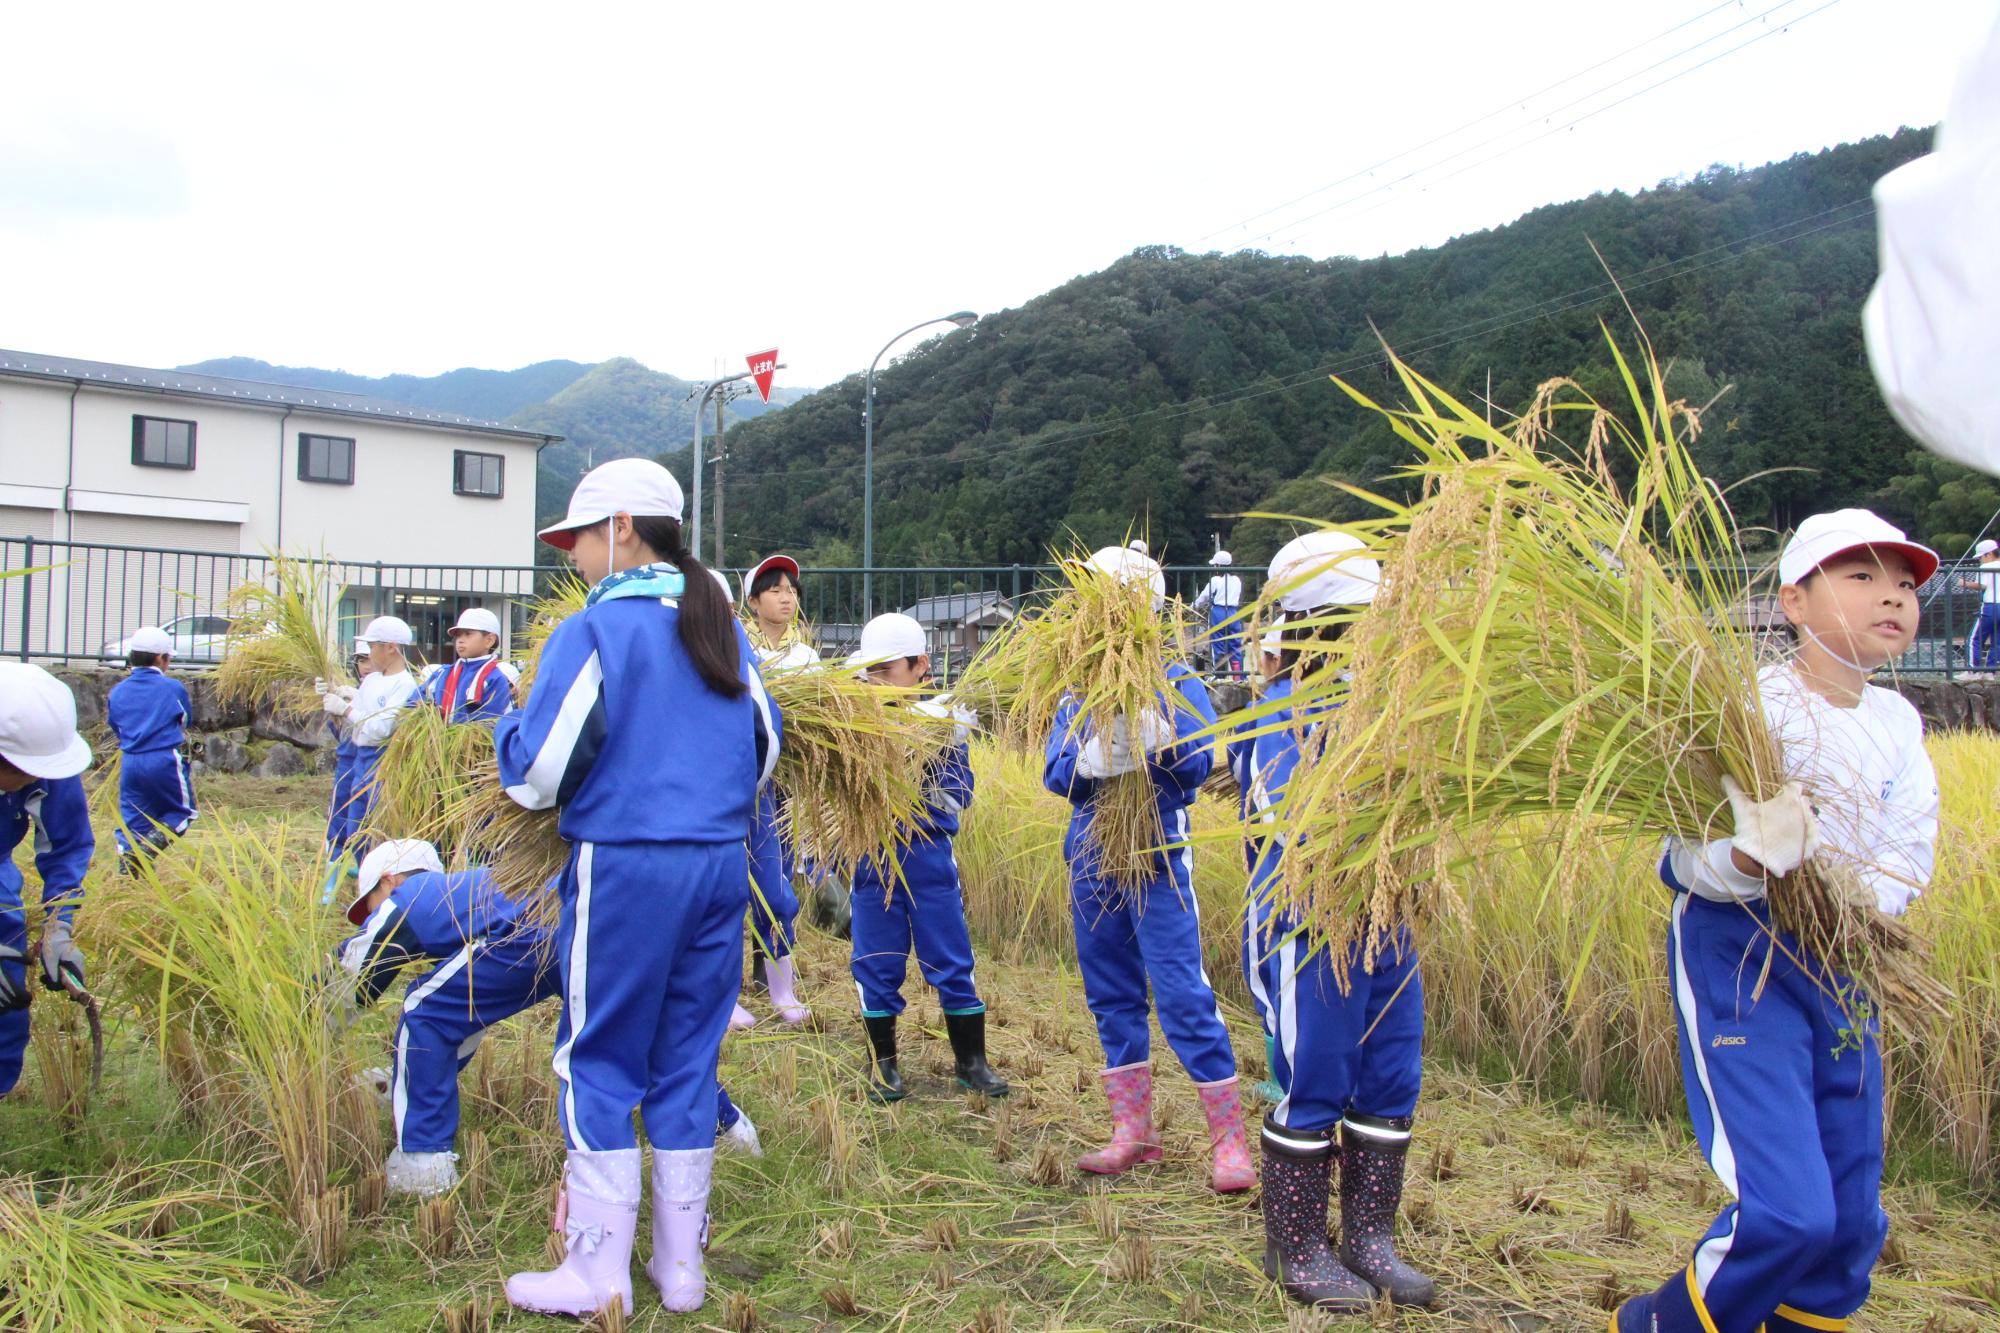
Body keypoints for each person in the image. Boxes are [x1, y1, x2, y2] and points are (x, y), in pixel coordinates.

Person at [1615, 509, 1940, 1333]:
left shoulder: (1898, 722)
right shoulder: (1750, 708)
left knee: (1851, 1223)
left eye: (1904, 583)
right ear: (1793, 601)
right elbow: (1679, 858)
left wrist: (1861, 903)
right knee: (1790, 1214)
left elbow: (1910, 843)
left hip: (1847, 962)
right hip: (1740, 958)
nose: (1892, 597)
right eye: (1861, 577)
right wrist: (1753, 861)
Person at [494, 458, 779, 1319]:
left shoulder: (597, 628)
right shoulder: (719, 624)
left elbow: (540, 771)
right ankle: (680, 1270)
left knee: (599, 1057)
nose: (573, 556)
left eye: (577, 537)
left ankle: (596, 1272)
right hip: (717, 864)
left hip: (624, 864)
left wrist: (511, 729)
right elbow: (764, 749)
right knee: (688, 1058)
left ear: (621, 527)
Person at [1244, 533, 1433, 1313]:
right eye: (1349, 620)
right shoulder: (1282, 711)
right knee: (1316, 1072)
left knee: (1391, 1071)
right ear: (1306, 625)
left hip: (1388, 920)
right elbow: (1289, 820)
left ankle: (1368, 1236)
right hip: (1309, 924)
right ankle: (1296, 1245)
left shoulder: (1395, 705)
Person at [1043, 545, 1252, 1193]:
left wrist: (1160, 740)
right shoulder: (1078, 688)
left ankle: (1229, 1140)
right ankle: (1134, 1131)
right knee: (1110, 987)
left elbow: (1195, 765)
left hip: (1157, 851)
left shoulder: (1176, 681)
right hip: (1090, 854)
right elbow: (1054, 770)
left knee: (1181, 988)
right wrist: (1087, 759)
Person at [334, 839, 562, 1197]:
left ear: (389, 880)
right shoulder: (469, 897)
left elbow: (348, 985)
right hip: (578, 916)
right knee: (455, 1011)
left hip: (537, 929)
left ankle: (423, 1163)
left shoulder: (411, 895)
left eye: (369, 905)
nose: (369, 917)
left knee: (426, 1014)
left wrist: (300, 1031)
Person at [845, 612, 1007, 1103]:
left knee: (951, 956)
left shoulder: (946, 724)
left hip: (928, 854)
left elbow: (961, 794)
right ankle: (884, 1064)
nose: (876, 681)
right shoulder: (850, 726)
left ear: (921, 666)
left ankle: (971, 1062)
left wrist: (928, 751)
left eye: (887, 670)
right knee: (875, 958)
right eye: (869, 672)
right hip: (870, 856)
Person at [0, 664, 95, 1097]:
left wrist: (59, 926)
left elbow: (67, 845)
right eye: (22, 771)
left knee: (7, 1005)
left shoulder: (45, 760)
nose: (36, 780)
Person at [737, 553, 816, 1027]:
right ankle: (726, 988)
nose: (787, 597)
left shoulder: (805, 657)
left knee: (778, 885)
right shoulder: (737, 648)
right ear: (753, 601)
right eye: (775, 589)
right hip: (741, 785)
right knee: (730, 888)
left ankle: (777, 986)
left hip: (785, 786)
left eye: (791, 590)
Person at [1227, 625, 1287, 1105]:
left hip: (1276, 864)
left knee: (1268, 966)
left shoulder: (1265, 712)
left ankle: (1284, 1077)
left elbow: (1241, 772)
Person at [323, 616, 419, 858]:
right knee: (355, 827)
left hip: (382, 761)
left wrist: (346, 709)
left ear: (391, 648)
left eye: (373, 647)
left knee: (375, 828)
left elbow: (381, 729)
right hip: (360, 759)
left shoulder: (405, 684)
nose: (369, 654)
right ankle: (354, 879)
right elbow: (352, 727)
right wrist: (334, 699)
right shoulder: (372, 681)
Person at [107, 625, 197, 872]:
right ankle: (147, 851)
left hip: (131, 760)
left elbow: (116, 725)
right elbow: (185, 720)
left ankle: (128, 874)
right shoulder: (172, 687)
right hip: (164, 758)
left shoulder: (118, 691)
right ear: (160, 658)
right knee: (182, 813)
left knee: (132, 820)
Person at [320, 640, 375, 904]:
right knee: (339, 819)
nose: (366, 666)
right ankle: (330, 881)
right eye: (361, 661)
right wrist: (332, 709)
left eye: (369, 659)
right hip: (348, 762)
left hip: (375, 763)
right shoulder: (352, 690)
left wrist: (353, 707)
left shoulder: (395, 686)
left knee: (369, 824)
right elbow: (342, 735)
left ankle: (371, 881)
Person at [416, 608, 520, 723]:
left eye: (468, 634)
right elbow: (413, 702)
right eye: (458, 635)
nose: (460, 640)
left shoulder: (496, 678)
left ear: (489, 640)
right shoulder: (442, 673)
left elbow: (489, 722)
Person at [1192, 551, 1245, 677]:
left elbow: (1204, 597)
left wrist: (1193, 606)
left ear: (1218, 566)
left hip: (1218, 612)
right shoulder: (1237, 580)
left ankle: (1219, 676)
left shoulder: (1215, 580)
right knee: (1235, 646)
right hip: (1233, 613)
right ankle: (1239, 677)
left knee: (1218, 644)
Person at [1960, 538, 2000, 673]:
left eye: (1981, 557)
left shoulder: (1985, 567)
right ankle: (1990, 673)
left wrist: (1964, 583)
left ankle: (1973, 671)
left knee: (1974, 639)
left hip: (1990, 606)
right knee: (1997, 642)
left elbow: (1982, 586)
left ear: (1989, 554)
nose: (1980, 560)